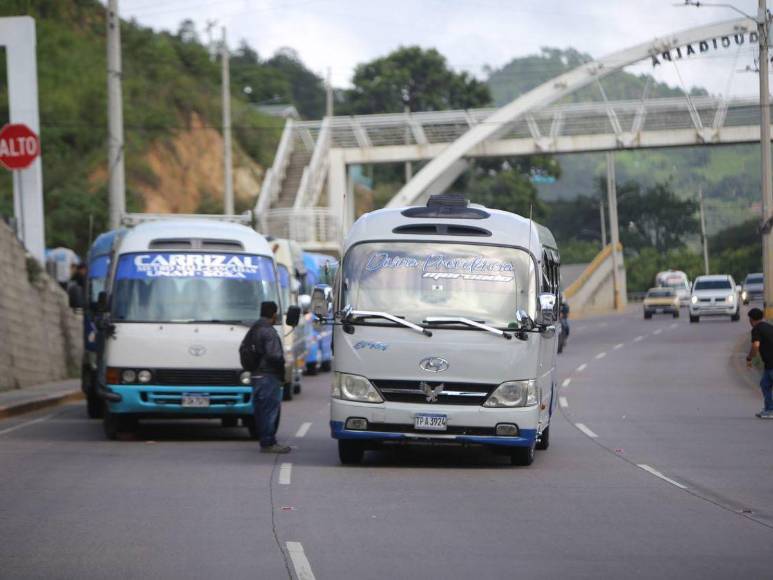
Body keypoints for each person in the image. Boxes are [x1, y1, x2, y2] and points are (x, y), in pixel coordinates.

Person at [242, 301, 291, 452]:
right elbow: (274, 355)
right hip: (269, 376)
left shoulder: (253, 329)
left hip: (255, 375)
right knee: (270, 410)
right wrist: (281, 373)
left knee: (261, 410)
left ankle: (265, 440)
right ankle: (269, 443)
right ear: (274, 314)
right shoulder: (268, 331)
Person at [746, 307, 773, 419]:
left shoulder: (756, 329)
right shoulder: (769, 327)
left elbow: (756, 345)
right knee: (765, 384)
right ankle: (769, 408)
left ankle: (770, 410)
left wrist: (749, 358)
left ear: (751, 320)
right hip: (769, 364)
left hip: (771, 363)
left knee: (766, 384)